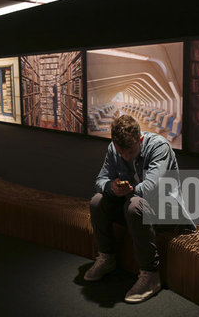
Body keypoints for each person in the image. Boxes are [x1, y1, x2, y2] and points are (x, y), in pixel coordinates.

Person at [84, 114, 182, 304]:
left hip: (165, 209)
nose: (125, 157)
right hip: (133, 204)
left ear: (140, 139)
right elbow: (100, 181)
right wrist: (111, 187)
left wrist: (126, 191)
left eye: (129, 151)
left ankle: (151, 274)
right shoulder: (114, 148)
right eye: (121, 152)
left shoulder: (160, 147)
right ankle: (106, 257)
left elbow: (151, 188)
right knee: (97, 201)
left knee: (134, 205)